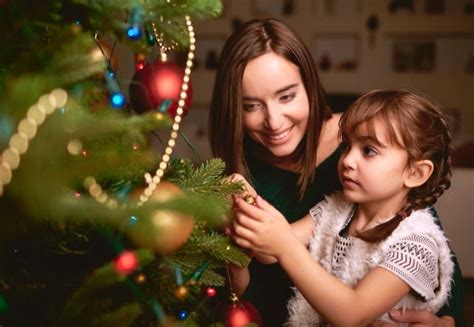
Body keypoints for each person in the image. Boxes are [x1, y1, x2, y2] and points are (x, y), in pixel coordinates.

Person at [208, 18, 464, 326]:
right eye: (251, 106)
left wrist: (448, 323)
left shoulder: (372, 145)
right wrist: (246, 208)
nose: (274, 121)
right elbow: (267, 252)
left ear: (310, 87)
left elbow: (441, 270)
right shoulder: (336, 205)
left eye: (287, 96)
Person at [231, 90, 456, 325]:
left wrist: (285, 246)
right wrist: (246, 201)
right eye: (347, 146)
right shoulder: (336, 210)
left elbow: (352, 314)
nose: (347, 160)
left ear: (415, 173)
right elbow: (268, 252)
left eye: (368, 150)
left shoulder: (416, 244)